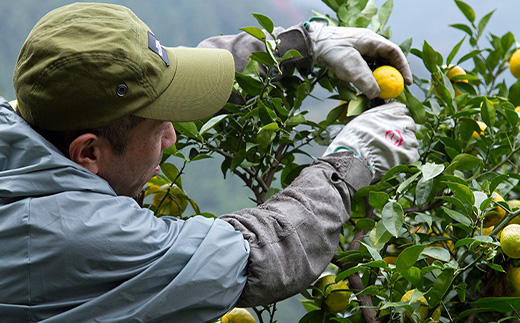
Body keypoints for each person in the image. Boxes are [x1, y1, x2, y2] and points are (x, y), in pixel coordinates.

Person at [0, 2, 418, 322]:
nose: (173, 136)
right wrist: (350, 162)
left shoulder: (25, 118)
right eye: (159, 126)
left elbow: (146, 82)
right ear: (89, 152)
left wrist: (299, 44)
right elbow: (259, 255)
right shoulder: (81, 236)